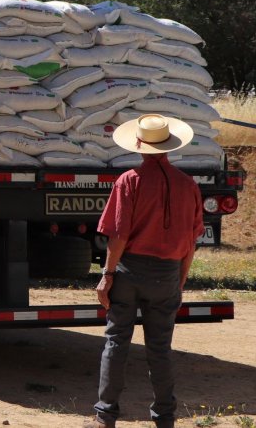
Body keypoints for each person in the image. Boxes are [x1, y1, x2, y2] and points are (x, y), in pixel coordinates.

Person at [84, 114, 204, 428]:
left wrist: (107, 275)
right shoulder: (188, 185)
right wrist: (179, 280)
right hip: (167, 274)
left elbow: (118, 234)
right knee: (160, 349)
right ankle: (164, 418)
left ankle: (105, 415)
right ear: (169, 146)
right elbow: (190, 242)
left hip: (128, 272)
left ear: (138, 145)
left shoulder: (129, 181)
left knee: (116, 341)